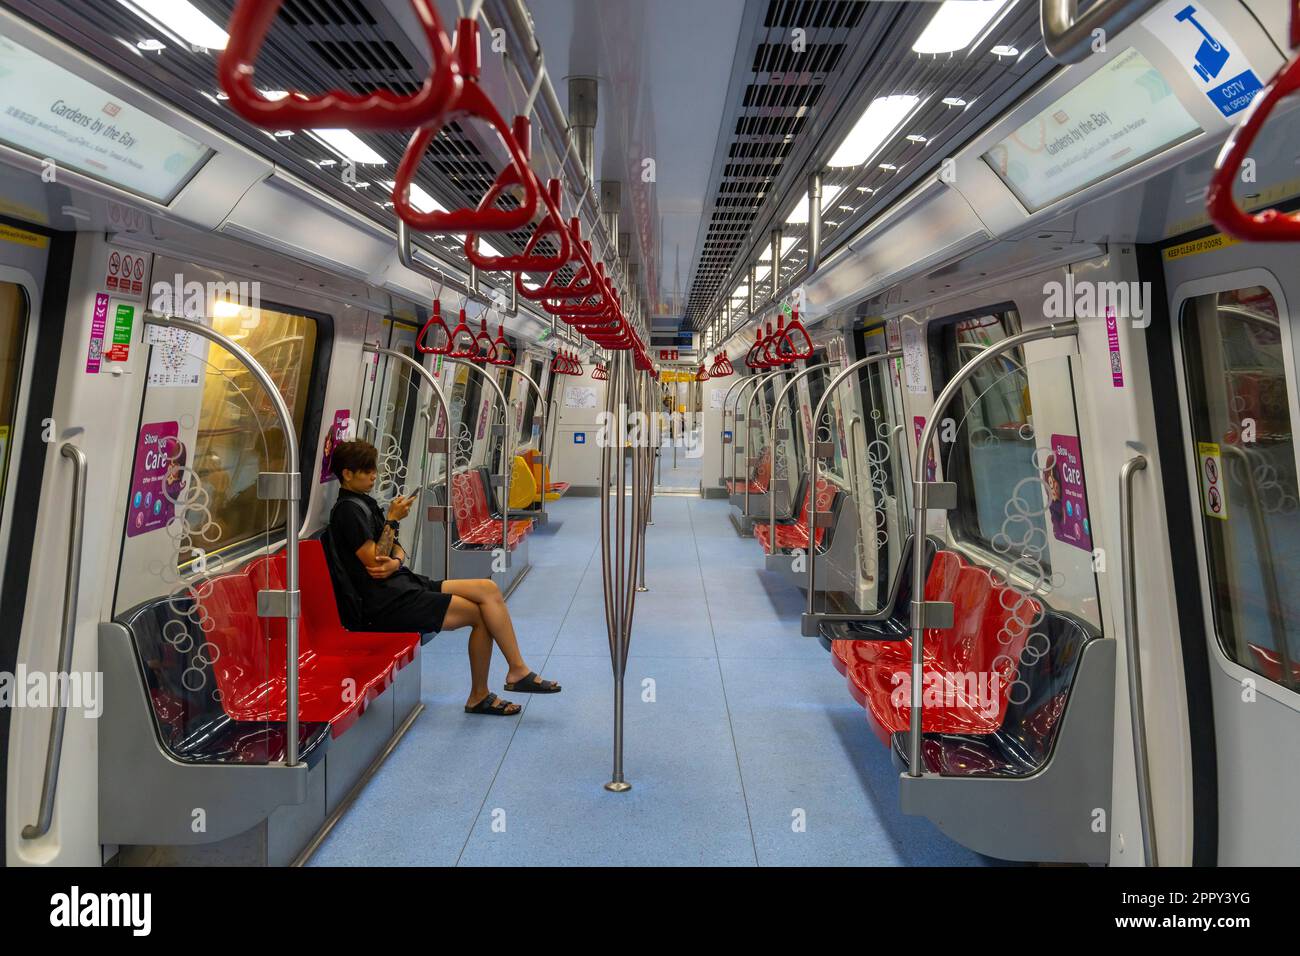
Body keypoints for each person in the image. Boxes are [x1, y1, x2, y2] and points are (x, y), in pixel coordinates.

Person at [327, 439, 560, 716]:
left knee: (487, 589)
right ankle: (484, 693)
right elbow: (374, 559)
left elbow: (396, 550)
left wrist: (396, 561)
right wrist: (392, 520)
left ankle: (516, 670)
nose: (373, 476)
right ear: (347, 474)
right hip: (383, 601)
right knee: (480, 615)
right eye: (366, 471)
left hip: (401, 583)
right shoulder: (347, 511)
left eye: (373, 469)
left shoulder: (364, 504)